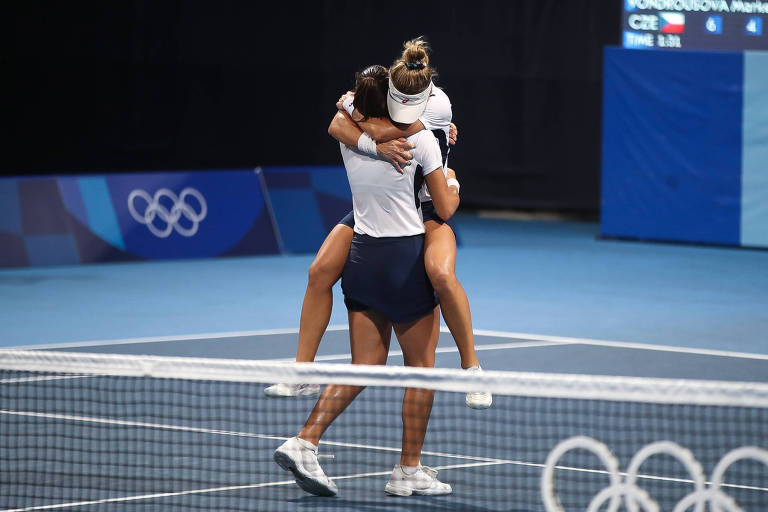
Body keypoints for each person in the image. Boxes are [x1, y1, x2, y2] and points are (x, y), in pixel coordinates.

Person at [265, 38, 491, 410]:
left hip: (426, 207)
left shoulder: (438, 104)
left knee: (442, 275)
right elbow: (338, 123)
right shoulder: (389, 87)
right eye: (393, 96)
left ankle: (473, 368)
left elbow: (389, 130)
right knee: (320, 270)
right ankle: (301, 372)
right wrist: (368, 136)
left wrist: (366, 126)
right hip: (383, 205)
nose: (398, 105)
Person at [274, 64, 456, 497]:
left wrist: (369, 136)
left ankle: (305, 441)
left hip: (363, 258)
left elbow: (342, 116)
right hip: (404, 257)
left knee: (365, 365)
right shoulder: (420, 139)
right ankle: (407, 470)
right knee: (421, 371)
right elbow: (444, 209)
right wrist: (451, 177)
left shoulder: (354, 132)